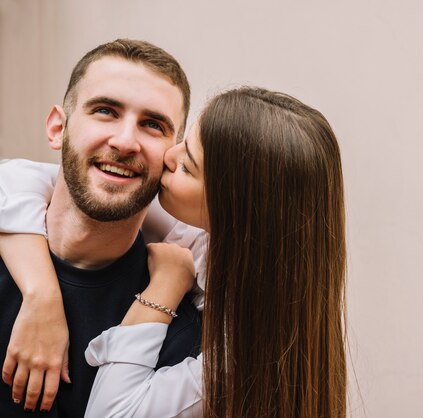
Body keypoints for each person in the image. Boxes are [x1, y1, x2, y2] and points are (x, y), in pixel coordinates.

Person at [0, 87, 348, 417]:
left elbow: (112, 411)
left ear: (231, 209)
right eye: (183, 144)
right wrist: (41, 295)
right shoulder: (215, 237)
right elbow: (17, 179)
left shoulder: (244, 357)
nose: (169, 156)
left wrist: (165, 284)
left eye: (187, 166)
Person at [0, 39, 203, 417]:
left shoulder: (181, 326)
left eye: (152, 125)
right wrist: (42, 294)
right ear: (58, 128)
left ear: (171, 156)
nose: (125, 142)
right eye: (106, 111)